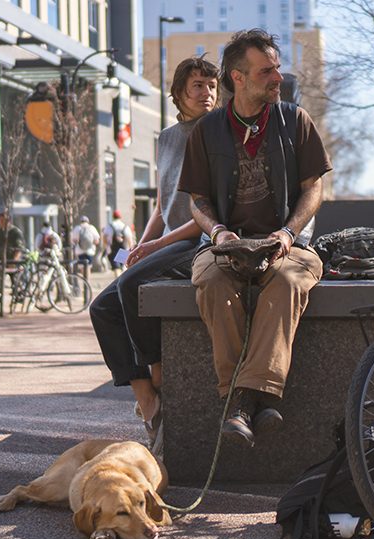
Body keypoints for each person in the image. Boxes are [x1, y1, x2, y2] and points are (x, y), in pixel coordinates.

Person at [178, 29, 332, 447]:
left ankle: (241, 401)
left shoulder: (295, 120)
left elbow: (313, 188)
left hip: (289, 246)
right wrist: (219, 232)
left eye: (278, 69)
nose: (277, 78)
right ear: (238, 77)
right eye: (267, 71)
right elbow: (197, 200)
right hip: (226, 243)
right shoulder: (206, 131)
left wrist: (287, 233)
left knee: (285, 283)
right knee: (210, 281)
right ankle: (257, 401)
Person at [89, 56, 220, 453]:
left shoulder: (216, 134)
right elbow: (163, 207)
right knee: (102, 308)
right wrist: (140, 245)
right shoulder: (166, 137)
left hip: (200, 240)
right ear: (179, 92)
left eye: (212, 86)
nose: (207, 93)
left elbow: (206, 212)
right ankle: (149, 402)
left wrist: (155, 246)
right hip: (169, 239)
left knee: (133, 285)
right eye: (198, 86)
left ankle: (161, 377)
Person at [104, 210, 134, 278]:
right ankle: (121, 281)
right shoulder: (125, 226)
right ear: (120, 217)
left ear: (113, 217)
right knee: (121, 267)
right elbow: (129, 239)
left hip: (112, 250)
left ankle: (118, 282)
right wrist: (131, 249)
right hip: (123, 249)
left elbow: (104, 237)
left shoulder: (109, 226)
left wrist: (106, 247)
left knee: (116, 268)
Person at [71, 215, 100, 281]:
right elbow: (97, 241)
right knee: (88, 266)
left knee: (82, 267)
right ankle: (88, 282)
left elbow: (73, 240)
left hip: (80, 251)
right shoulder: (92, 228)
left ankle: (85, 281)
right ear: (88, 221)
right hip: (90, 250)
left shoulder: (77, 228)